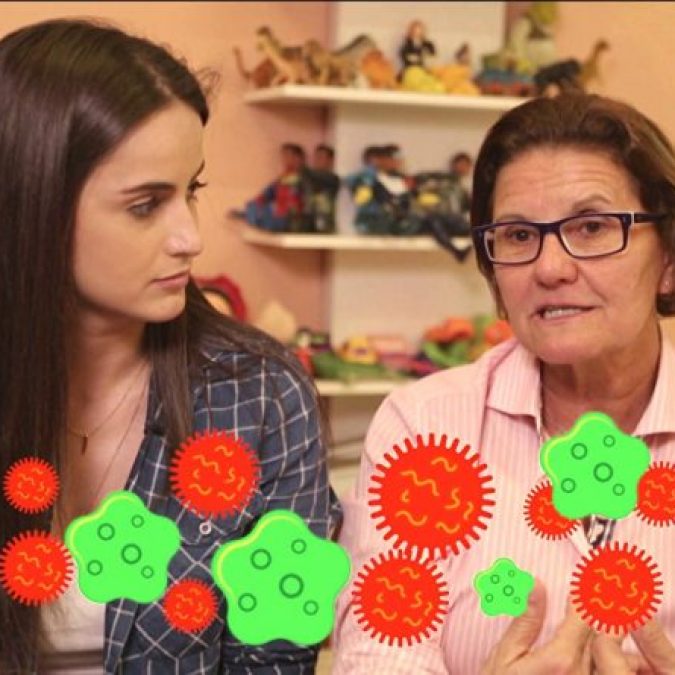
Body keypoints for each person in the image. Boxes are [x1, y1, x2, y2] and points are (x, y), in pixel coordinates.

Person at [0, 18, 341, 675]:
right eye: (144, 205)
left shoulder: (261, 394)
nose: (190, 238)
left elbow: (274, 659)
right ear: (31, 203)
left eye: (191, 191)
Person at [332, 93, 675, 673]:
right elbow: (378, 657)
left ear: (668, 257)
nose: (550, 268)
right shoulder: (424, 428)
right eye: (517, 236)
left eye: (592, 227)